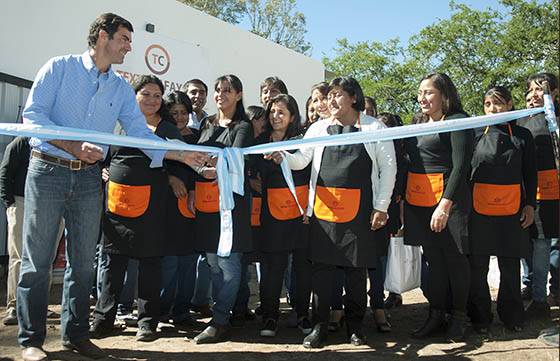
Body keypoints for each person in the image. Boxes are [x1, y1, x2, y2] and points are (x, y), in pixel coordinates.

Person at [17, 13, 207, 361]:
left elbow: (138, 134)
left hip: (89, 180)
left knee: (83, 265)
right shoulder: (59, 68)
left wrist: (181, 154)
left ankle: (76, 335)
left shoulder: (120, 87)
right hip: (48, 171)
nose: (129, 47)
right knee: (37, 261)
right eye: (124, 39)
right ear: (103, 36)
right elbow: (34, 118)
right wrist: (73, 147)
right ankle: (31, 340)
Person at [268, 76, 396, 348]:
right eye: (329, 96)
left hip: (360, 214)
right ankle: (320, 327)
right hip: (323, 214)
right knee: (322, 275)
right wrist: (284, 156)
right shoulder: (318, 129)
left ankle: (356, 327)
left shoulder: (375, 128)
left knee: (356, 274)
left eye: (338, 94)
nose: (332, 100)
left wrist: (381, 207)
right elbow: (301, 159)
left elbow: (388, 170)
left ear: (353, 97)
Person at [91, 76, 196, 342]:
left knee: (150, 264)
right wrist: (104, 169)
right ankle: (103, 319)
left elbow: (181, 160)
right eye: (146, 94)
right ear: (133, 95)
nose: (151, 100)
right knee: (112, 264)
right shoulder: (118, 123)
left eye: (157, 96)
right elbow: (102, 154)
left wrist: (172, 177)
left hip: (152, 207)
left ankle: (147, 322)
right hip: (116, 204)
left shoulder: (167, 130)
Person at [403, 73, 474, 341]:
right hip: (421, 203)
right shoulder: (419, 124)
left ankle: (458, 317)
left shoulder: (458, 121)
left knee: (455, 260)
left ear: (444, 95)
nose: (422, 98)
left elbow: (460, 166)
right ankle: (436, 314)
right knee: (434, 261)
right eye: (420, 93)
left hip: (448, 202)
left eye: (428, 92)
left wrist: (445, 205)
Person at [467, 86, 537, 333]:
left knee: (510, 267)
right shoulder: (474, 132)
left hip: (512, 210)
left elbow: (530, 173)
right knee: (478, 268)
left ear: (509, 105)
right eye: (487, 104)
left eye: (497, 103)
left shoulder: (522, 135)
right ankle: (480, 319)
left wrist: (530, 206)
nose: (492, 109)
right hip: (478, 211)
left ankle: (512, 317)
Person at [192, 74, 254, 344]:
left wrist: (206, 161)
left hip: (232, 205)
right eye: (218, 90)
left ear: (239, 95)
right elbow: (195, 156)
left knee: (229, 264)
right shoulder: (206, 123)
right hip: (207, 204)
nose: (221, 95)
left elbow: (233, 156)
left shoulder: (243, 126)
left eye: (227, 90)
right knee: (213, 263)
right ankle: (223, 314)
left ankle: (219, 320)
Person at [254, 94, 313, 337]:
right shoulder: (259, 142)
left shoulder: (302, 142)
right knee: (273, 268)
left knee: (301, 268)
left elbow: (312, 175)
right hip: (271, 215)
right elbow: (251, 175)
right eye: (272, 112)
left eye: (281, 113)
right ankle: (269, 316)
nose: (275, 117)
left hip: (300, 216)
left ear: (292, 117)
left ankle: (301, 314)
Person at [0, 137, 64, 326]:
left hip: (53, 204)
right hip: (21, 202)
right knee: (19, 256)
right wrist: (10, 205)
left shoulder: (60, 141)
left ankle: (39, 306)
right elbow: (5, 172)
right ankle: (14, 305)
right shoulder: (21, 142)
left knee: (47, 257)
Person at [518, 72, 560, 316]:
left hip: (551, 191)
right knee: (533, 242)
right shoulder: (523, 119)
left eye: (539, 89)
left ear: (553, 93)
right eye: (530, 90)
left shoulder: (554, 120)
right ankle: (533, 287)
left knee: (547, 243)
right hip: (528, 191)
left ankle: (541, 297)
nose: (533, 95)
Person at [159, 90, 201, 327]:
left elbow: (202, 168)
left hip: (193, 206)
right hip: (168, 206)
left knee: (189, 261)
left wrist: (193, 190)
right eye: (174, 112)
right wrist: (170, 179)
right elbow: (152, 165)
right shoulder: (161, 136)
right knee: (170, 261)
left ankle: (182, 311)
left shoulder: (197, 137)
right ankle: (163, 310)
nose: (179, 117)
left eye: (184, 112)